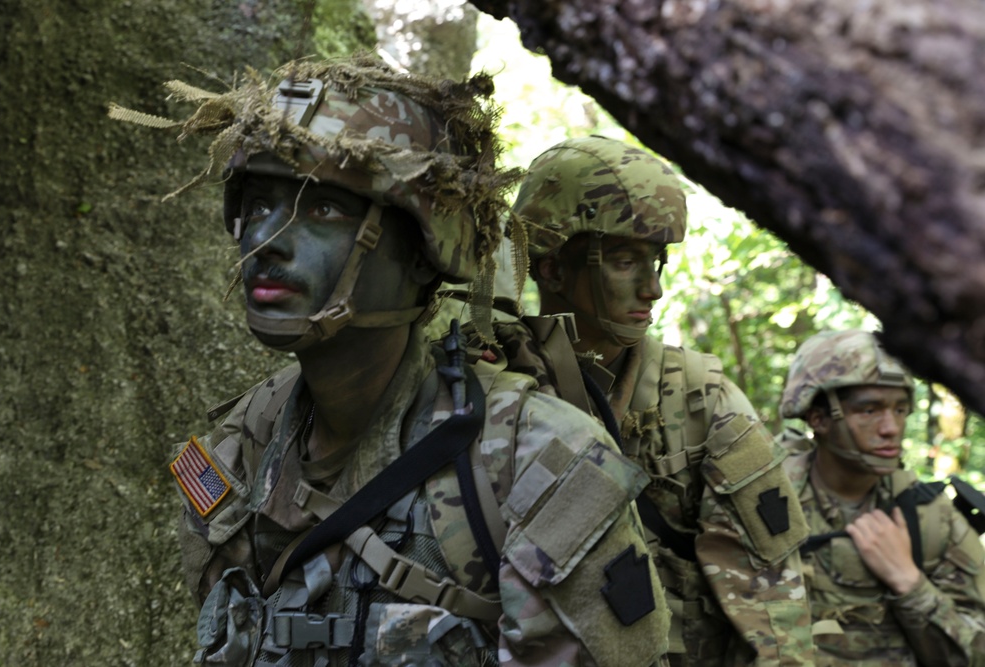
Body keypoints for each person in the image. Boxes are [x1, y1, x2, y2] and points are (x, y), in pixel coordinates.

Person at [112, 56, 671, 666]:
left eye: (323, 210)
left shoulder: (539, 464)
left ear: (424, 251)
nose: (265, 242)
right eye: (259, 203)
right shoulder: (240, 445)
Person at [486, 135, 814, 665]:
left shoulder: (699, 399)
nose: (652, 289)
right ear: (551, 269)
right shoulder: (488, 388)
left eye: (654, 261)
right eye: (622, 261)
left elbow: (773, 600)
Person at [780, 329, 985, 665]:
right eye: (869, 410)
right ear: (818, 419)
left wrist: (908, 581)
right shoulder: (763, 498)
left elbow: (975, 654)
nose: (891, 427)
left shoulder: (930, 516)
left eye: (900, 410)